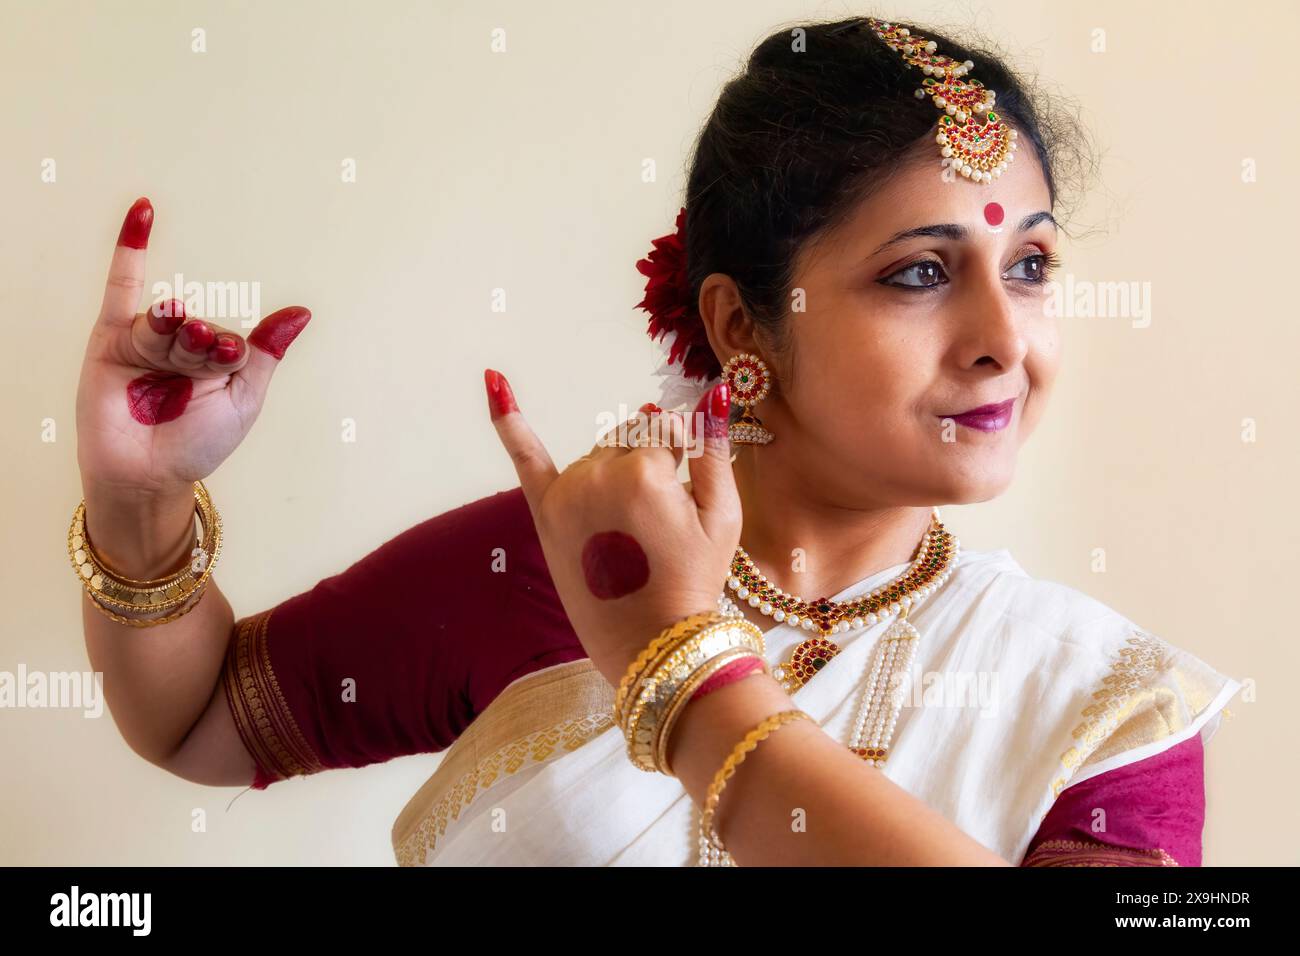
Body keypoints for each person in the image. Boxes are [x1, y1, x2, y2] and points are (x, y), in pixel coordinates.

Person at [72, 16, 1239, 867]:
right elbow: (200, 717)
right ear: (742, 322)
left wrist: (686, 675)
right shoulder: (568, 561)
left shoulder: (1100, 697)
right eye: (921, 273)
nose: (1002, 339)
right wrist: (137, 509)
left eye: (1030, 267)